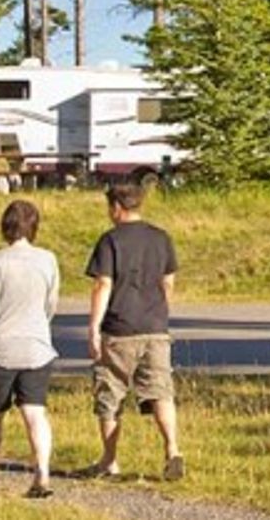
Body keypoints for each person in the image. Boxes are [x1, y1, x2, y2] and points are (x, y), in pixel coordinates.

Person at [78, 180, 184, 481]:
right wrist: (160, 312)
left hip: (119, 328)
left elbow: (103, 284)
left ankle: (110, 461)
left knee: (110, 394)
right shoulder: (161, 238)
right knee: (160, 391)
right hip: (155, 327)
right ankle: (172, 450)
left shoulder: (110, 240)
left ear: (116, 207)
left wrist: (94, 327)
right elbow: (168, 282)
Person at [0, 200, 61, 498]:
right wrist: (39, 327)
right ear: (34, 227)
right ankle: (42, 474)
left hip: (1, 348)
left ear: (5, 227)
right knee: (35, 412)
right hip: (38, 347)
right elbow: (51, 304)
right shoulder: (48, 259)